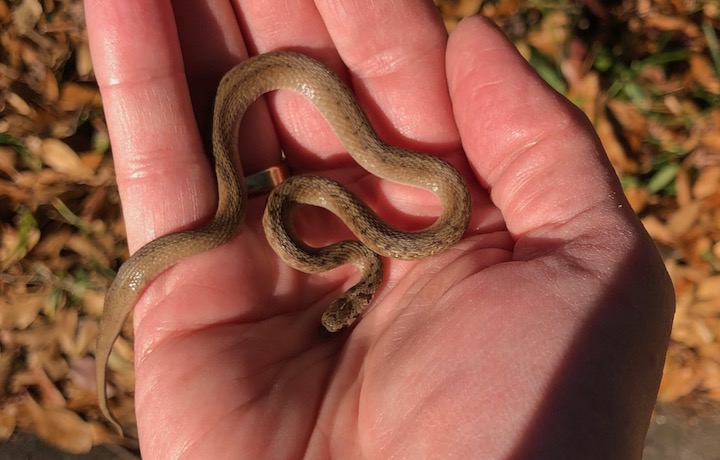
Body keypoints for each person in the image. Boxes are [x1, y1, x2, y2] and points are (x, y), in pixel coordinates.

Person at [85, 1, 674, 458]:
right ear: (354, 300)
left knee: (218, 225)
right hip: (307, 207)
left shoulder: (356, 250)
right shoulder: (351, 249)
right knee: (215, 224)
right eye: (336, 320)